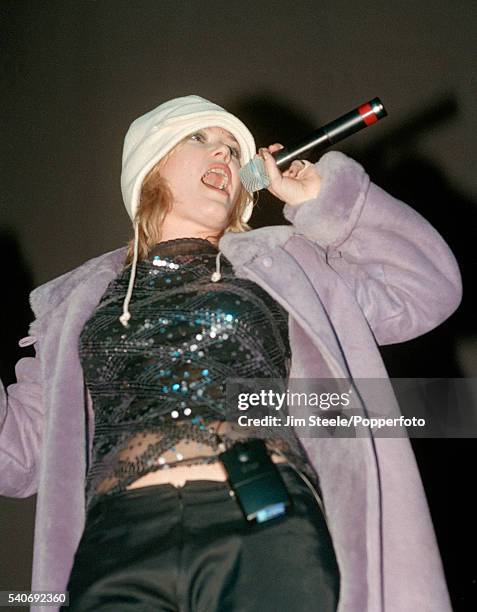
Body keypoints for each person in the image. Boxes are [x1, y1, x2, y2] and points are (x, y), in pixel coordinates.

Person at [0, 95, 461, 612]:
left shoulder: (283, 265)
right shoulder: (74, 307)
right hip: (118, 537)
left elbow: (424, 289)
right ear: (149, 161)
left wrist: (322, 201)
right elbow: (14, 455)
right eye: (200, 138)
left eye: (232, 148)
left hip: (261, 515)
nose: (222, 155)